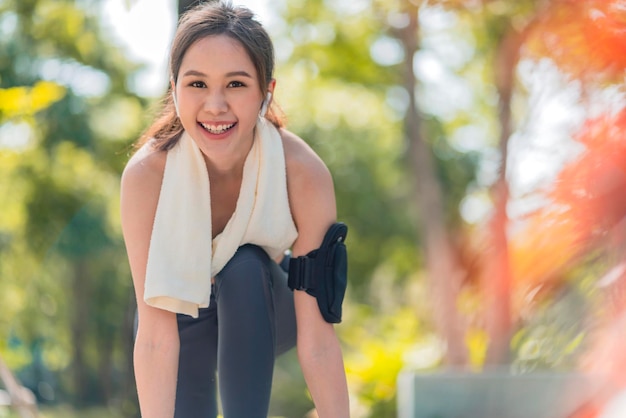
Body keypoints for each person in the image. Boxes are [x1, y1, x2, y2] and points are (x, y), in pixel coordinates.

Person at [119, 1, 350, 417]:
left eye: (237, 84)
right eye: (197, 84)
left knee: (244, 265)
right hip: (180, 322)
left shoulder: (302, 172)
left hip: (265, 308)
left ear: (267, 91)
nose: (215, 106)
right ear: (174, 88)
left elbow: (318, 339)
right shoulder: (146, 176)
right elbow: (154, 335)